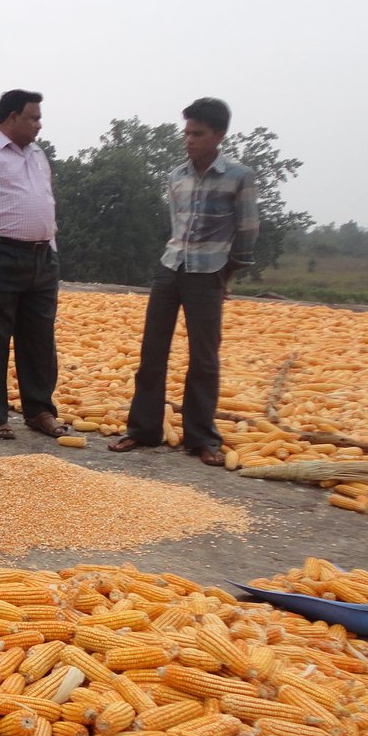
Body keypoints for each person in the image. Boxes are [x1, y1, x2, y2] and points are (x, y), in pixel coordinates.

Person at [109, 97, 259, 466]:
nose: (189, 140)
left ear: (219, 135)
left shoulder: (238, 177)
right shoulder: (177, 176)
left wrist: (227, 273)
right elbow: (176, 224)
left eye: (198, 133)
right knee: (152, 351)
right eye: (187, 133)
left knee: (204, 358)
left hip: (209, 272)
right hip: (171, 266)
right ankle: (143, 429)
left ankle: (201, 437)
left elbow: (247, 231)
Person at [0, 89, 67, 440]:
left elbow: (45, 200)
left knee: (40, 338)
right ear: (12, 117)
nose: (39, 124)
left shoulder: (38, 154)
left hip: (43, 256)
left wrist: (50, 248)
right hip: (3, 254)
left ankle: (39, 409)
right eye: (33, 117)